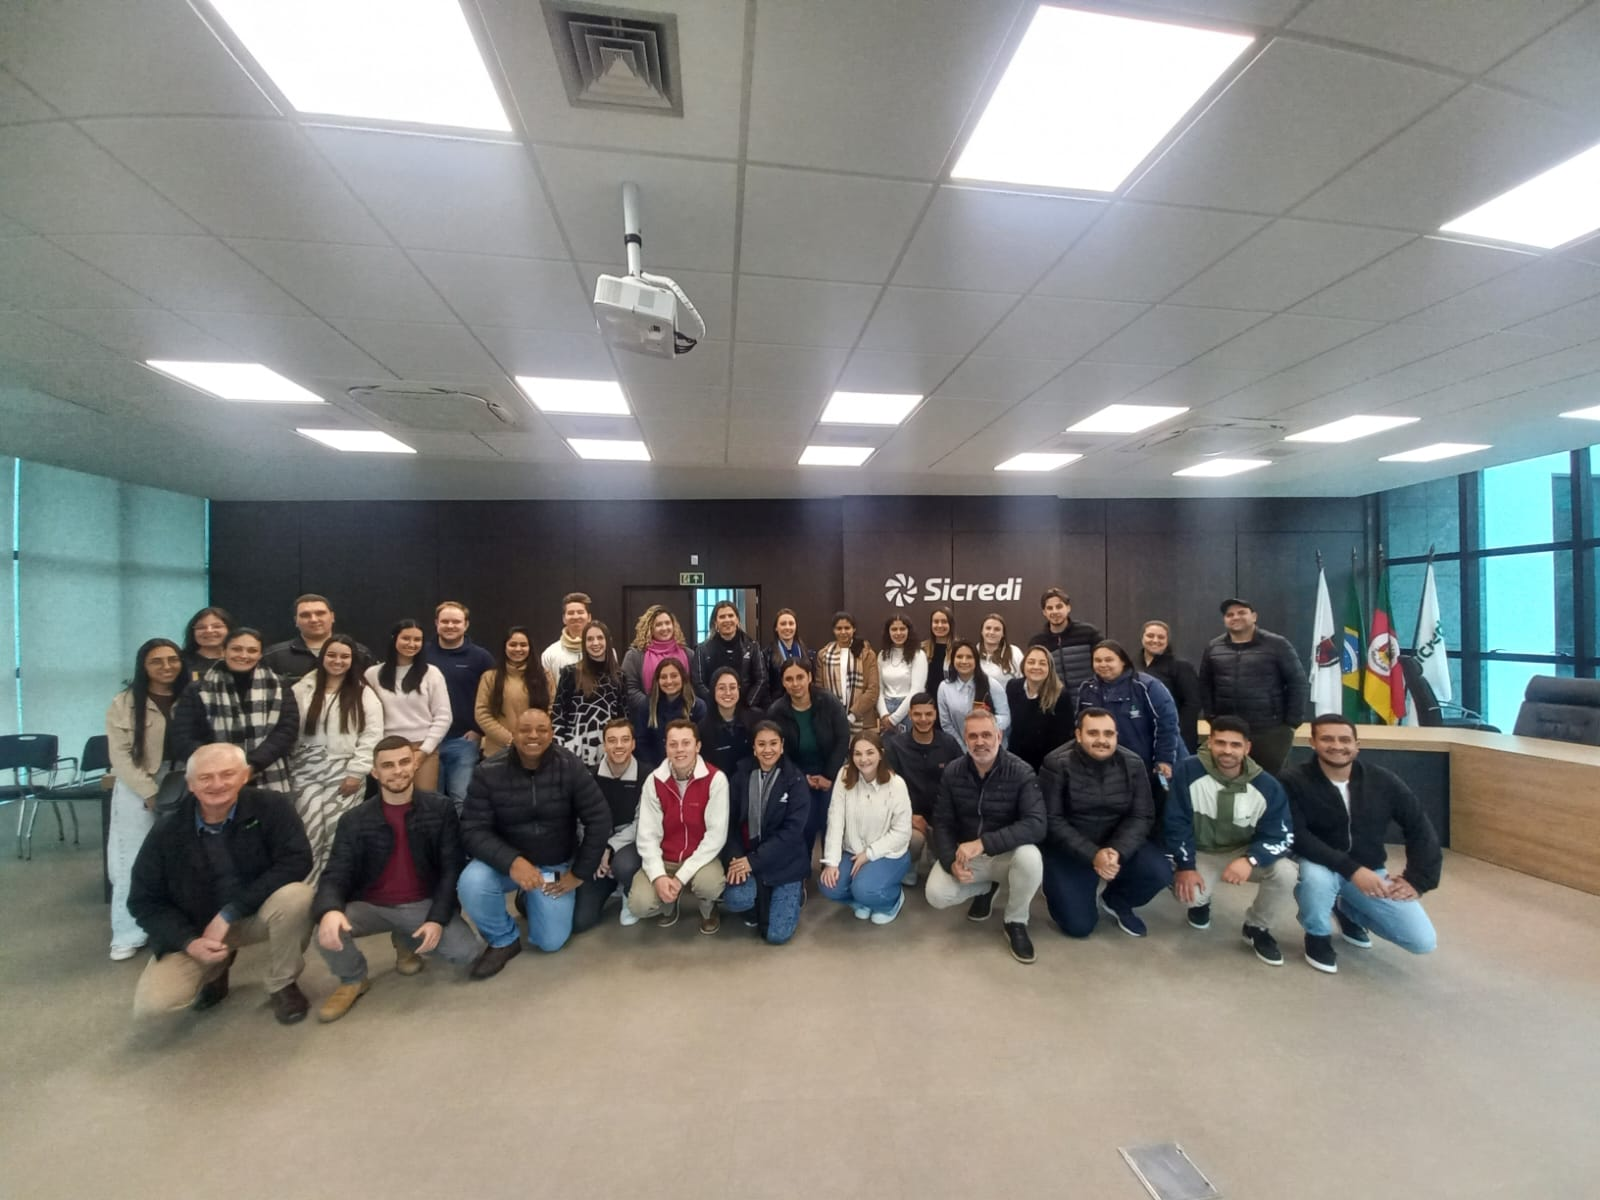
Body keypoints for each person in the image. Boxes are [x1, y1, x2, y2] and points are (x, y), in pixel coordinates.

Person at [127, 743, 314, 1024]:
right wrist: (188, 942)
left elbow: (297, 860)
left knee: (298, 897)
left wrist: (230, 913)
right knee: (153, 1004)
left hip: (254, 914)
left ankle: (283, 983)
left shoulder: (272, 806)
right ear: (190, 784)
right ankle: (216, 968)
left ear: (245, 775)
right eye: (205, 777)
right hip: (198, 930)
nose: (217, 784)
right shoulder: (167, 831)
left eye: (227, 774)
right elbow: (144, 902)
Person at [311, 737, 483, 1021]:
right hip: (369, 906)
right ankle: (353, 979)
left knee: (467, 952)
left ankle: (404, 938)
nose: (398, 770)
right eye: (388, 765)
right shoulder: (353, 820)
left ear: (415, 764)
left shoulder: (440, 809)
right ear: (375, 772)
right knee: (324, 927)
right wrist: (329, 910)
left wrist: (437, 918)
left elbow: (450, 868)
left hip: (421, 905)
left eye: (404, 762)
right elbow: (336, 871)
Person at [457, 707, 613, 978]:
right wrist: (512, 862)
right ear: (513, 734)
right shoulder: (488, 771)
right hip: (505, 865)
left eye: (541, 730)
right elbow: (471, 829)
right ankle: (503, 939)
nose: (533, 736)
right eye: (525, 730)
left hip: (552, 865)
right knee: (472, 882)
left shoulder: (570, 766)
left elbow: (599, 819)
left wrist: (578, 874)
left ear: (552, 734)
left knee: (551, 942)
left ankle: (528, 898)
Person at [1280, 715, 1441, 974]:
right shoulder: (1292, 780)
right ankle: (1317, 935)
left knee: (1422, 941)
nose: (1337, 746)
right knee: (1316, 880)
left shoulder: (1383, 781)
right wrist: (1352, 870)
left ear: (1357, 745)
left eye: (1344, 740)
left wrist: (1418, 880)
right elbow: (1297, 836)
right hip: (1318, 861)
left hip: (1369, 868)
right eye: (1327, 739)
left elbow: (1419, 826)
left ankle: (1345, 908)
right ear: (1313, 743)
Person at [1166, 716, 1296, 967]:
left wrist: (1251, 859)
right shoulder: (1187, 771)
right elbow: (1175, 821)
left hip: (1243, 851)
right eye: (1220, 743)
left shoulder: (1267, 786)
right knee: (1189, 896)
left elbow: (1281, 834)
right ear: (1210, 743)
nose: (1227, 750)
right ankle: (1202, 904)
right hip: (1202, 851)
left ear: (1247, 748)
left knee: (1286, 873)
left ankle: (1257, 927)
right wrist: (1186, 865)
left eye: (1235, 745)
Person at [1038, 708, 1173, 938]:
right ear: (1078, 735)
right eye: (1093, 733)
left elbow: (1141, 816)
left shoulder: (1133, 763)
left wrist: (1117, 851)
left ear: (1116, 736)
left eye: (1108, 734)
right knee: (1079, 927)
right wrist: (1093, 855)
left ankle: (1116, 900)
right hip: (1069, 850)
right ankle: (1056, 883)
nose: (1102, 740)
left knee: (1159, 872)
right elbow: (1051, 820)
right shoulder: (1056, 763)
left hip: (1115, 845)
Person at [925, 709, 1046, 964]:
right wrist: (950, 862)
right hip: (967, 857)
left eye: (986, 735)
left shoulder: (1021, 772)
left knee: (1031, 857)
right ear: (965, 739)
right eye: (973, 736)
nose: (980, 742)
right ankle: (987, 888)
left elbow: (1036, 825)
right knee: (936, 895)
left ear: (999, 736)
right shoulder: (953, 772)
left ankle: (1015, 921)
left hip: (1005, 855)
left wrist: (983, 843)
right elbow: (942, 822)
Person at [105, 638, 192, 961]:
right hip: (140, 783)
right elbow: (120, 756)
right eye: (157, 661)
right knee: (132, 859)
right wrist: (149, 792)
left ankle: (178, 925)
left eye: (172, 659)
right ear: (143, 666)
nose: (166, 666)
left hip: (186, 779)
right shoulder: (125, 702)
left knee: (184, 857)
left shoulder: (192, 696)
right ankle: (127, 933)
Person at [289, 634, 383, 881]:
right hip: (305, 769)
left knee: (337, 833)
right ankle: (306, 889)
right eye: (331, 655)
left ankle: (332, 888)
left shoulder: (364, 693)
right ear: (322, 657)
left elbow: (372, 736)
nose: (337, 661)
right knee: (309, 831)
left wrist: (357, 773)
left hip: (345, 769)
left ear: (352, 660)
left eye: (344, 656)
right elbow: (289, 729)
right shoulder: (302, 689)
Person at [627, 720, 729, 935]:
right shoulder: (654, 781)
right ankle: (669, 901)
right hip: (665, 859)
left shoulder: (716, 780)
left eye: (686, 743)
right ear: (666, 747)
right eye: (673, 744)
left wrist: (681, 877)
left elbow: (715, 837)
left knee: (710, 885)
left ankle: (708, 908)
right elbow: (647, 835)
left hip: (701, 859)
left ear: (698, 746)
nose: (679, 749)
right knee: (639, 905)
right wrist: (658, 876)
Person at [170, 627, 299, 793]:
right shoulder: (198, 689)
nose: (244, 655)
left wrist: (251, 765)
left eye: (252, 650)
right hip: (211, 775)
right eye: (236, 649)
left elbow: (286, 731)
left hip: (265, 771)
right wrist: (223, 767)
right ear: (223, 651)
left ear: (260, 655)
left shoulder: (280, 686)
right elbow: (183, 736)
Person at [721, 721, 811, 944]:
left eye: (773, 743)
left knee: (777, 935)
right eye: (761, 744)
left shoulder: (795, 780)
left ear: (782, 746)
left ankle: (794, 891)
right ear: (753, 748)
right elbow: (729, 824)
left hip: (785, 862)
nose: (767, 749)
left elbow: (792, 832)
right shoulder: (740, 776)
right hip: (747, 857)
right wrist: (736, 859)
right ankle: (758, 903)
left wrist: (753, 861)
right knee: (736, 899)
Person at [1198, 599, 1308, 775]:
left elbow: (1297, 682)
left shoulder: (1277, 644)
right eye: (1230, 614)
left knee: (1268, 781)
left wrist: (1291, 722)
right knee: (1228, 780)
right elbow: (1205, 684)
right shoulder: (1214, 647)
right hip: (1228, 730)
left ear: (1254, 616)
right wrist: (1211, 716)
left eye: (1241, 613)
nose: (1235, 617)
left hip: (1270, 731)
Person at [819, 731, 913, 925]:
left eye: (870, 753)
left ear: (881, 754)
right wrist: (832, 862)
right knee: (829, 885)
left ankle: (891, 902)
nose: (863, 759)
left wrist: (869, 854)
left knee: (865, 889)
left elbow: (902, 832)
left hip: (888, 853)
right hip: (852, 851)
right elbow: (835, 820)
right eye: (857, 753)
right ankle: (864, 901)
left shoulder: (896, 785)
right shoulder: (844, 775)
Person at [1075, 639, 1182, 810]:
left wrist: (1164, 759)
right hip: (1104, 767)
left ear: (1123, 661)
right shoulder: (1087, 689)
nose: (1103, 664)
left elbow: (1167, 724)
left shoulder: (1146, 686)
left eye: (1109, 660)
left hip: (1145, 765)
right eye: (1098, 660)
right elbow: (1079, 726)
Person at [766, 657, 852, 855]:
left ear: (810, 677)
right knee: (806, 821)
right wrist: (800, 777)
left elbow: (842, 738)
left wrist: (828, 776)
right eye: (789, 679)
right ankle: (802, 867)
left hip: (831, 772)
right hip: (797, 774)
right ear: (783, 682)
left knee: (831, 818)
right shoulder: (776, 712)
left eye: (800, 677)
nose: (795, 684)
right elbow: (778, 752)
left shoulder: (828, 702)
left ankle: (831, 864)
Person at [572, 717, 646, 934]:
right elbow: (581, 821)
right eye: (612, 740)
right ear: (604, 745)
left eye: (625, 739)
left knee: (624, 865)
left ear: (633, 744)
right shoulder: (589, 776)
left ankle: (628, 889)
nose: (619, 746)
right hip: (597, 846)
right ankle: (610, 883)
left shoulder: (647, 776)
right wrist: (595, 851)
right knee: (581, 921)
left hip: (630, 844)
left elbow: (642, 823)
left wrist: (610, 847)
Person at [363, 619, 452, 794]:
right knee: (391, 800)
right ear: (394, 639)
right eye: (406, 638)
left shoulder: (432, 673)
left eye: (417, 640)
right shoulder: (373, 674)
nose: (412, 644)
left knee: (424, 801)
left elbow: (443, 716)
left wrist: (424, 751)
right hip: (387, 748)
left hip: (422, 747)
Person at [883, 693, 963, 886]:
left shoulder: (949, 744)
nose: (923, 719)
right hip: (909, 816)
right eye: (917, 714)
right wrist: (908, 816)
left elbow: (960, 783)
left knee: (947, 846)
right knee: (914, 840)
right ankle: (911, 863)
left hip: (942, 815)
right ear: (910, 715)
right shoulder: (896, 745)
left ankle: (937, 854)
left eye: (928, 714)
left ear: (935, 714)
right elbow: (887, 788)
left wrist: (945, 818)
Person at [423, 600, 495, 809]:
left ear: (466, 624)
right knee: (430, 801)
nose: (450, 626)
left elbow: (493, 697)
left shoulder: (481, 658)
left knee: (462, 799)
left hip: (463, 741)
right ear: (436, 623)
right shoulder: (422, 654)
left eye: (456, 621)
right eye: (445, 621)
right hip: (427, 741)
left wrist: (479, 730)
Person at [552, 620, 625, 767]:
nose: (595, 643)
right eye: (590, 639)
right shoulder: (570, 673)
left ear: (608, 641)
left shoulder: (619, 676)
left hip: (608, 750)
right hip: (574, 751)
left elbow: (623, 717)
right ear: (584, 644)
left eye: (600, 638)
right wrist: (559, 751)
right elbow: (558, 716)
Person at [475, 626, 551, 758]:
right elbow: (482, 713)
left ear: (530, 648)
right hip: (498, 752)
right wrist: (511, 739)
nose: (518, 649)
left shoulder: (544, 676)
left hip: (536, 750)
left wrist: (533, 737)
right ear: (505, 647)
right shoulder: (490, 677)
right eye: (513, 645)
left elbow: (552, 708)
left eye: (523, 645)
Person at [263, 593, 369, 683]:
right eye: (305, 615)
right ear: (296, 621)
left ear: (332, 617)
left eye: (320, 613)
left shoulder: (360, 654)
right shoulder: (274, 656)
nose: (313, 619)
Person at [1005, 646, 1074, 771]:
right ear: (1023, 665)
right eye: (1031, 662)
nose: (1036, 667)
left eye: (1042, 663)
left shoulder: (1061, 696)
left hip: (1046, 765)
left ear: (1050, 668)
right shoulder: (1012, 687)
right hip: (1015, 761)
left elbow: (1063, 738)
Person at [630, 658, 705, 771]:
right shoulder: (648, 705)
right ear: (657, 680)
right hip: (655, 769)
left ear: (683, 678)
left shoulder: (697, 706)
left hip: (690, 768)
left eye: (674, 676)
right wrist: (655, 770)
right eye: (663, 677)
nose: (669, 681)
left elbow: (703, 743)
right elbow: (641, 742)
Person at [1027, 586, 1102, 701]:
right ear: (1044, 612)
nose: (1055, 611)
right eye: (1050, 608)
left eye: (1059, 606)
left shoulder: (1088, 633)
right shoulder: (1038, 642)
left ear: (1068, 608)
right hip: (1056, 704)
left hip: (1089, 701)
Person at [1140, 619, 1202, 754]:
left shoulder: (1181, 666)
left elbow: (1192, 704)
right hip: (1142, 735)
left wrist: (1176, 731)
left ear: (1167, 640)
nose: (1155, 640)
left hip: (1175, 736)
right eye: (1150, 636)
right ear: (1142, 638)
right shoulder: (1132, 665)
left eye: (1161, 637)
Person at [936, 640, 1011, 748]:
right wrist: (964, 748)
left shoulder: (992, 685)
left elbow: (1005, 717)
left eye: (969, 657)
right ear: (952, 660)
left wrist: (988, 721)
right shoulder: (944, 687)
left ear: (976, 660)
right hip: (960, 749)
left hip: (991, 749)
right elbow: (946, 724)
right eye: (959, 657)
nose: (964, 661)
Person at [693, 600, 767, 708]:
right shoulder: (702, 650)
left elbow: (761, 679)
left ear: (737, 619)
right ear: (715, 622)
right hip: (714, 709)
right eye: (722, 617)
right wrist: (717, 704)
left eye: (731, 615)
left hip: (746, 707)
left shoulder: (752, 647)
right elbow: (698, 683)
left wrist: (748, 705)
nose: (727, 620)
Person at [815, 610, 879, 731]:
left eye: (847, 628)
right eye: (839, 628)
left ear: (854, 629)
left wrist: (852, 716)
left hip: (861, 719)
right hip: (831, 718)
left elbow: (873, 689)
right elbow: (819, 689)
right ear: (833, 630)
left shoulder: (867, 654)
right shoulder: (823, 655)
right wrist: (835, 715)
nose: (843, 632)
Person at [697, 665, 761, 779]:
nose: (728, 693)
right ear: (713, 691)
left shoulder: (756, 719)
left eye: (732, 687)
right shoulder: (703, 729)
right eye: (721, 688)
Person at [621, 605, 692, 707]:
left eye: (667, 623)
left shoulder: (688, 654)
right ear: (649, 629)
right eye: (658, 624)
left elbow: (693, 687)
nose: (664, 628)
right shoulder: (634, 656)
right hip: (648, 712)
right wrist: (654, 708)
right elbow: (630, 689)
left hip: (683, 712)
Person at [876, 613, 928, 736]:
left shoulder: (918, 655)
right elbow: (879, 689)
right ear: (888, 632)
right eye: (894, 629)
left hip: (909, 710)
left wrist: (894, 719)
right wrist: (884, 715)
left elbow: (917, 690)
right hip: (886, 711)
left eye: (902, 629)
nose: (898, 633)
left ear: (909, 631)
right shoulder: (882, 655)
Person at [540, 592, 591, 695]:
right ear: (564, 618)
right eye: (571, 613)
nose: (576, 616)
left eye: (580, 612)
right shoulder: (550, 654)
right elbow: (547, 693)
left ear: (589, 617)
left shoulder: (605, 651)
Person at [764, 608, 814, 701]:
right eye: (783, 624)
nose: (787, 627)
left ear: (796, 627)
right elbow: (766, 687)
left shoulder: (807, 653)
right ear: (776, 628)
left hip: (804, 702)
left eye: (791, 624)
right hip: (778, 703)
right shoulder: (766, 654)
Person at [180, 606, 232, 676]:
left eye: (217, 626)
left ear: (229, 629)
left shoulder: (239, 659)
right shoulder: (181, 660)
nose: (209, 631)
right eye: (201, 627)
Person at [977, 612, 1024, 678]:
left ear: (1003, 634)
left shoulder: (1014, 652)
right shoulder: (973, 652)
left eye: (997, 629)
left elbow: (1023, 678)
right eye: (988, 628)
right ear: (982, 631)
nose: (992, 632)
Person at [922, 605, 956, 685]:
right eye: (936, 622)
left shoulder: (958, 648)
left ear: (951, 624)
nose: (940, 625)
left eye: (944, 622)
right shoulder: (922, 649)